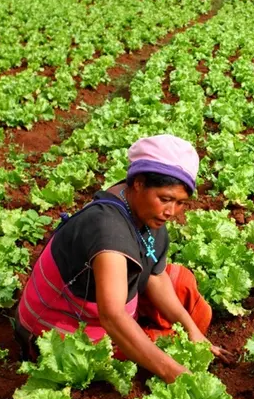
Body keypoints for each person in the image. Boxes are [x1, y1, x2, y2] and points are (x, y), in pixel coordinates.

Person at [14, 134, 235, 382]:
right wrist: (178, 375)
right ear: (139, 183)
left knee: (181, 283)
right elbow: (113, 317)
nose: (171, 211)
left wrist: (192, 331)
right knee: (163, 345)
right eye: (165, 199)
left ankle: (158, 337)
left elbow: (156, 276)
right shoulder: (108, 231)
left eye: (180, 203)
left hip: (108, 306)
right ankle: (148, 344)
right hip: (62, 335)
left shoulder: (138, 203)